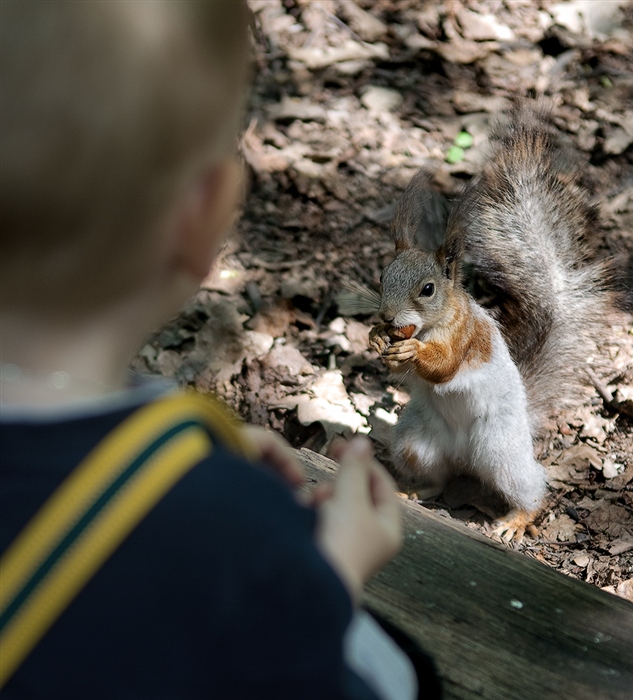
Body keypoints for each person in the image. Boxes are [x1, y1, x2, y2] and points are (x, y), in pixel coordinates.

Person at [0, 3, 439, 698]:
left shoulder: (207, 493)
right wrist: (325, 583)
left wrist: (181, 460)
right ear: (205, 214)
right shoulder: (237, 539)